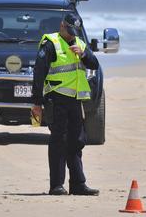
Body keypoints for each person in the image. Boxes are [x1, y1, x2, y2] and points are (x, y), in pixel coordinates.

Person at [31, 13, 100, 196]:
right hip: (56, 98)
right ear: (62, 25)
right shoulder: (50, 43)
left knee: (77, 142)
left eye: (74, 31)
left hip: (75, 101)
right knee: (58, 141)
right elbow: (39, 73)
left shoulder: (80, 43)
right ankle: (56, 186)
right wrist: (37, 102)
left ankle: (78, 184)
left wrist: (83, 54)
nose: (71, 35)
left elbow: (94, 64)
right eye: (69, 30)